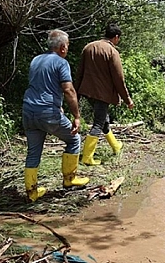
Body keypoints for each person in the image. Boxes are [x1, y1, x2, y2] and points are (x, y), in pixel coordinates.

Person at [22, 29, 89, 202]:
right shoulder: (61, 63)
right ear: (61, 47)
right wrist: (76, 116)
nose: (67, 49)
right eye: (67, 45)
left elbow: (42, 85)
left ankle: (32, 192)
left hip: (28, 110)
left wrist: (58, 106)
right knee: (74, 139)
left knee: (33, 151)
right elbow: (68, 90)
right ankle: (70, 179)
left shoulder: (36, 60)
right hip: (47, 112)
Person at [76, 23, 134, 166]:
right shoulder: (112, 52)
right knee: (98, 123)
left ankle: (115, 146)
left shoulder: (88, 47)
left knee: (103, 119)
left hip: (87, 92)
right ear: (115, 37)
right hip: (102, 94)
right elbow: (118, 79)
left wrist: (76, 92)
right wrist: (127, 100)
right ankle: (87, 157)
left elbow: (80, 72)